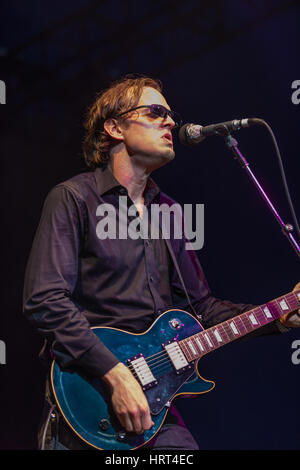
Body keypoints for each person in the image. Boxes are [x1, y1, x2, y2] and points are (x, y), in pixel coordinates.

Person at [23, 75, 300, 451]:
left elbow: (201, 308)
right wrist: (115, 374)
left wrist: (279, 316)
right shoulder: (73, 198)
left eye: (170, 115)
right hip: (90, 394)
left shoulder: (168, 212)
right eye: (155, 112)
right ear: (115, 127)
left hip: (155, 400)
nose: (170, 122)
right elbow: (45, 299)